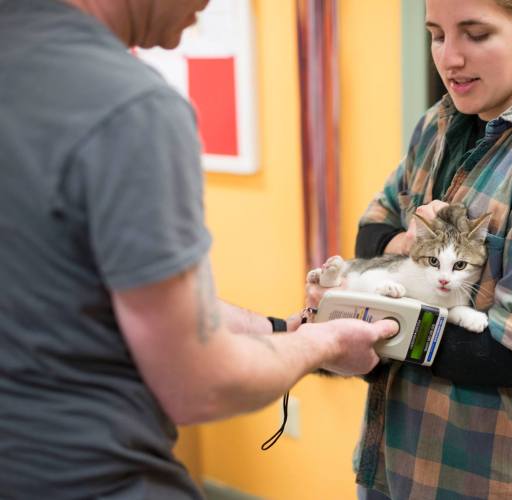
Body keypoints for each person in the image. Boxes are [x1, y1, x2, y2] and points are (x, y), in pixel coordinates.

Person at [0, 0, 397, 498]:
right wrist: (329, 343)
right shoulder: (131, 106)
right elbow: (200, 384)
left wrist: (278, 329)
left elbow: (97, 292)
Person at [308, 0, 512, 498]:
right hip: (394, 460)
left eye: (475, 35)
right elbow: (371, 233)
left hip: (481, 475)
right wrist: (409, 244)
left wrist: (376, 329)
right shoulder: (440, 123)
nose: (450, 58)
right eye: (437, 35)